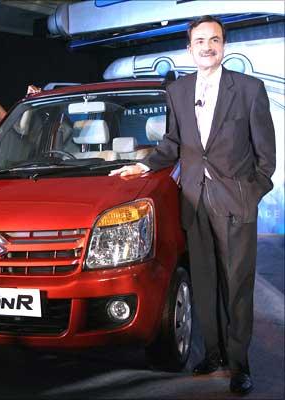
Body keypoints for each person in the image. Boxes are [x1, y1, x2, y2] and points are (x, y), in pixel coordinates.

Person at [110, 15, 275, 395]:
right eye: (200, 41)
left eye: (214, 40)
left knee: (237, 287)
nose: (207, 46)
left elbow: (267, 157)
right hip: (194, 201)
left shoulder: (250, 89)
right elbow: (172, 144)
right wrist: (143, 163)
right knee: (204, 283)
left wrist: (251, 194)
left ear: (223, 46)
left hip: (235, 204)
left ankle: (239, 363)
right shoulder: (178, 91)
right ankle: (214, 354)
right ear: (189, 48)